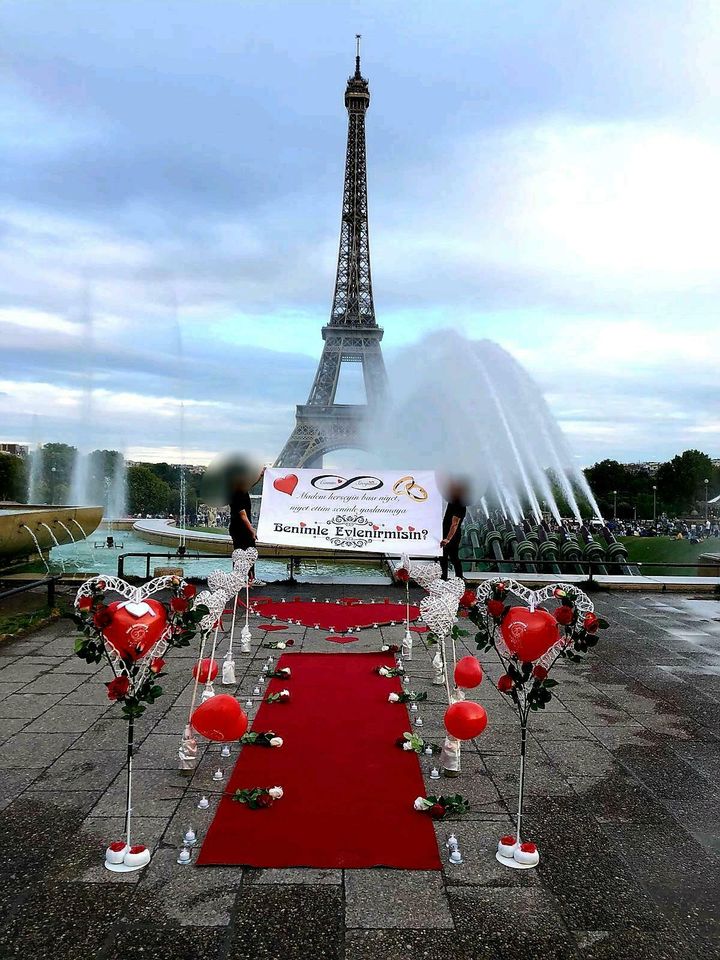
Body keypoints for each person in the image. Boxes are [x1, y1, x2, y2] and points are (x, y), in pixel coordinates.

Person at [228, 465, 266, 585]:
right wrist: (252, 530)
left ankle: (240, 579)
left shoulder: (239, 491)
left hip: (238, 528)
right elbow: (243, 515)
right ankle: (248, 579)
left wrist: (260, 476)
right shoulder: (237, 494)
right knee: (248, 552)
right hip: (241, 529)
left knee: (241, 553)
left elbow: (251, 483)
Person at [440, 479, 468, 580]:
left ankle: (452, 577)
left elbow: (454, 524)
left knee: (448, 556)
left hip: (452, 535)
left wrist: (447, 539)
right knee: (449, 556)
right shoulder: (454, 501)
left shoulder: (460, 505)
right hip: (448, 532)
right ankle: (458, 577)